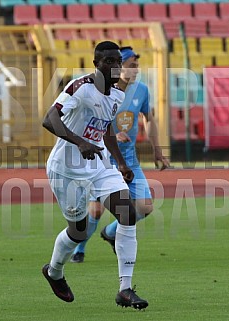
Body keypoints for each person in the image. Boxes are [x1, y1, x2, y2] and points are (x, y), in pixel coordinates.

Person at [42, 41, 148, 310]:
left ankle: (125, 289)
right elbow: (50, 118)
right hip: (65, 168)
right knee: (78, 232)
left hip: (98, 164)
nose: (115, 67)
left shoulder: (117, 96)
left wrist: (122, 164)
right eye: (109, 62)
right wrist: (79, 142)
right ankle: (54, 271)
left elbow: (107, 129)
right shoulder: (80, 87)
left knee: (128, 213)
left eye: (118, 62)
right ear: (97, 64)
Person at [70, 46, 170, 263]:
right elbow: (90, 123)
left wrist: (157, 149)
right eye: (131, 66)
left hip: (128, 161)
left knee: (145, 206)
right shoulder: (100, 91)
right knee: (95, 211)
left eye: (137, 66)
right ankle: (79, 248)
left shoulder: (141, 90)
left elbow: (148, 118)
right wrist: (112, 138)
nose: (136, 70)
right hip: (102, 160)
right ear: (118, 67)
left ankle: (110, 232)